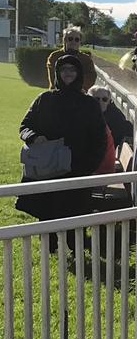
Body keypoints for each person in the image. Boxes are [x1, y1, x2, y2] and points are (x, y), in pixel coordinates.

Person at [17, 54, 109, 251]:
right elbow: (25, 125)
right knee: (47, 214)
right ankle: (50, 251)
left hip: (77, 169)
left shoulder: (89, 104)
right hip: (48, 170)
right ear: (58, 73)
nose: (68, 73)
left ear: (78, 73)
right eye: (64, 69)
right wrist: (33, 137)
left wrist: (88, 167)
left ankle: (76, 253)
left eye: (72, 69)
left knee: (76, 218)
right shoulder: (45, 99)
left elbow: (100, 140)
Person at [46, 25, 97, 92]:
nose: (73, 42)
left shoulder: (86, 59)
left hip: (79, 94)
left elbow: (91, 76)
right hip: (58, 93)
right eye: (70, 39)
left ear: (80, 42)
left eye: (77, 39)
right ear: (64, 40)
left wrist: (78, 88)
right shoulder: (54, 56)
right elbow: (53, 76)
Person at [88, 84, 134, 151]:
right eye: (97, 99)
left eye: (104, 99)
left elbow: (128, 129)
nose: (100, 102)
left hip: (106, 153)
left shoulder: (115, 115)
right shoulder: (85, 113)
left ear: (109, 101)